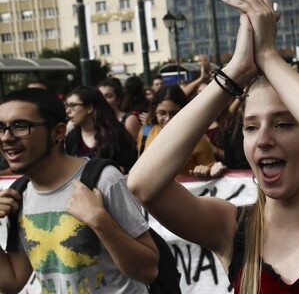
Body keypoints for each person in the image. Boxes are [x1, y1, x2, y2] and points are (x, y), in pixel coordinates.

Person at [128, 0, 299, 293]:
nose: (263, 139)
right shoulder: (232, 229)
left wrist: (267, 56)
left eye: (283, 124)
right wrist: (235, 72)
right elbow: (142, 184)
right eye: (251, 127)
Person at [0, 88, 158, 293]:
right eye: (1, 127)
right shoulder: (18, 194)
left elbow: (148, 271)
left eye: (21, 126)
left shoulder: (102, 179)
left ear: (57, 132)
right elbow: (11, 282)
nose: (6, 137)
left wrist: (100, 220)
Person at [139, 84, 225, 178]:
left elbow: (212, 169)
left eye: (174, 113)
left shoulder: (196, 138)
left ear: (183, 110)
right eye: (162, 113)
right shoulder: (147, 131)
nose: (168, 119)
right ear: (154, 109)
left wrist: (206, 170)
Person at [64, 86, 137, 173]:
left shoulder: (116, 135)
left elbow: (131, 169)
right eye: (67, 106)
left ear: (89, 108)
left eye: (72, 105)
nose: (67, 111)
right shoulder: (72, 137)